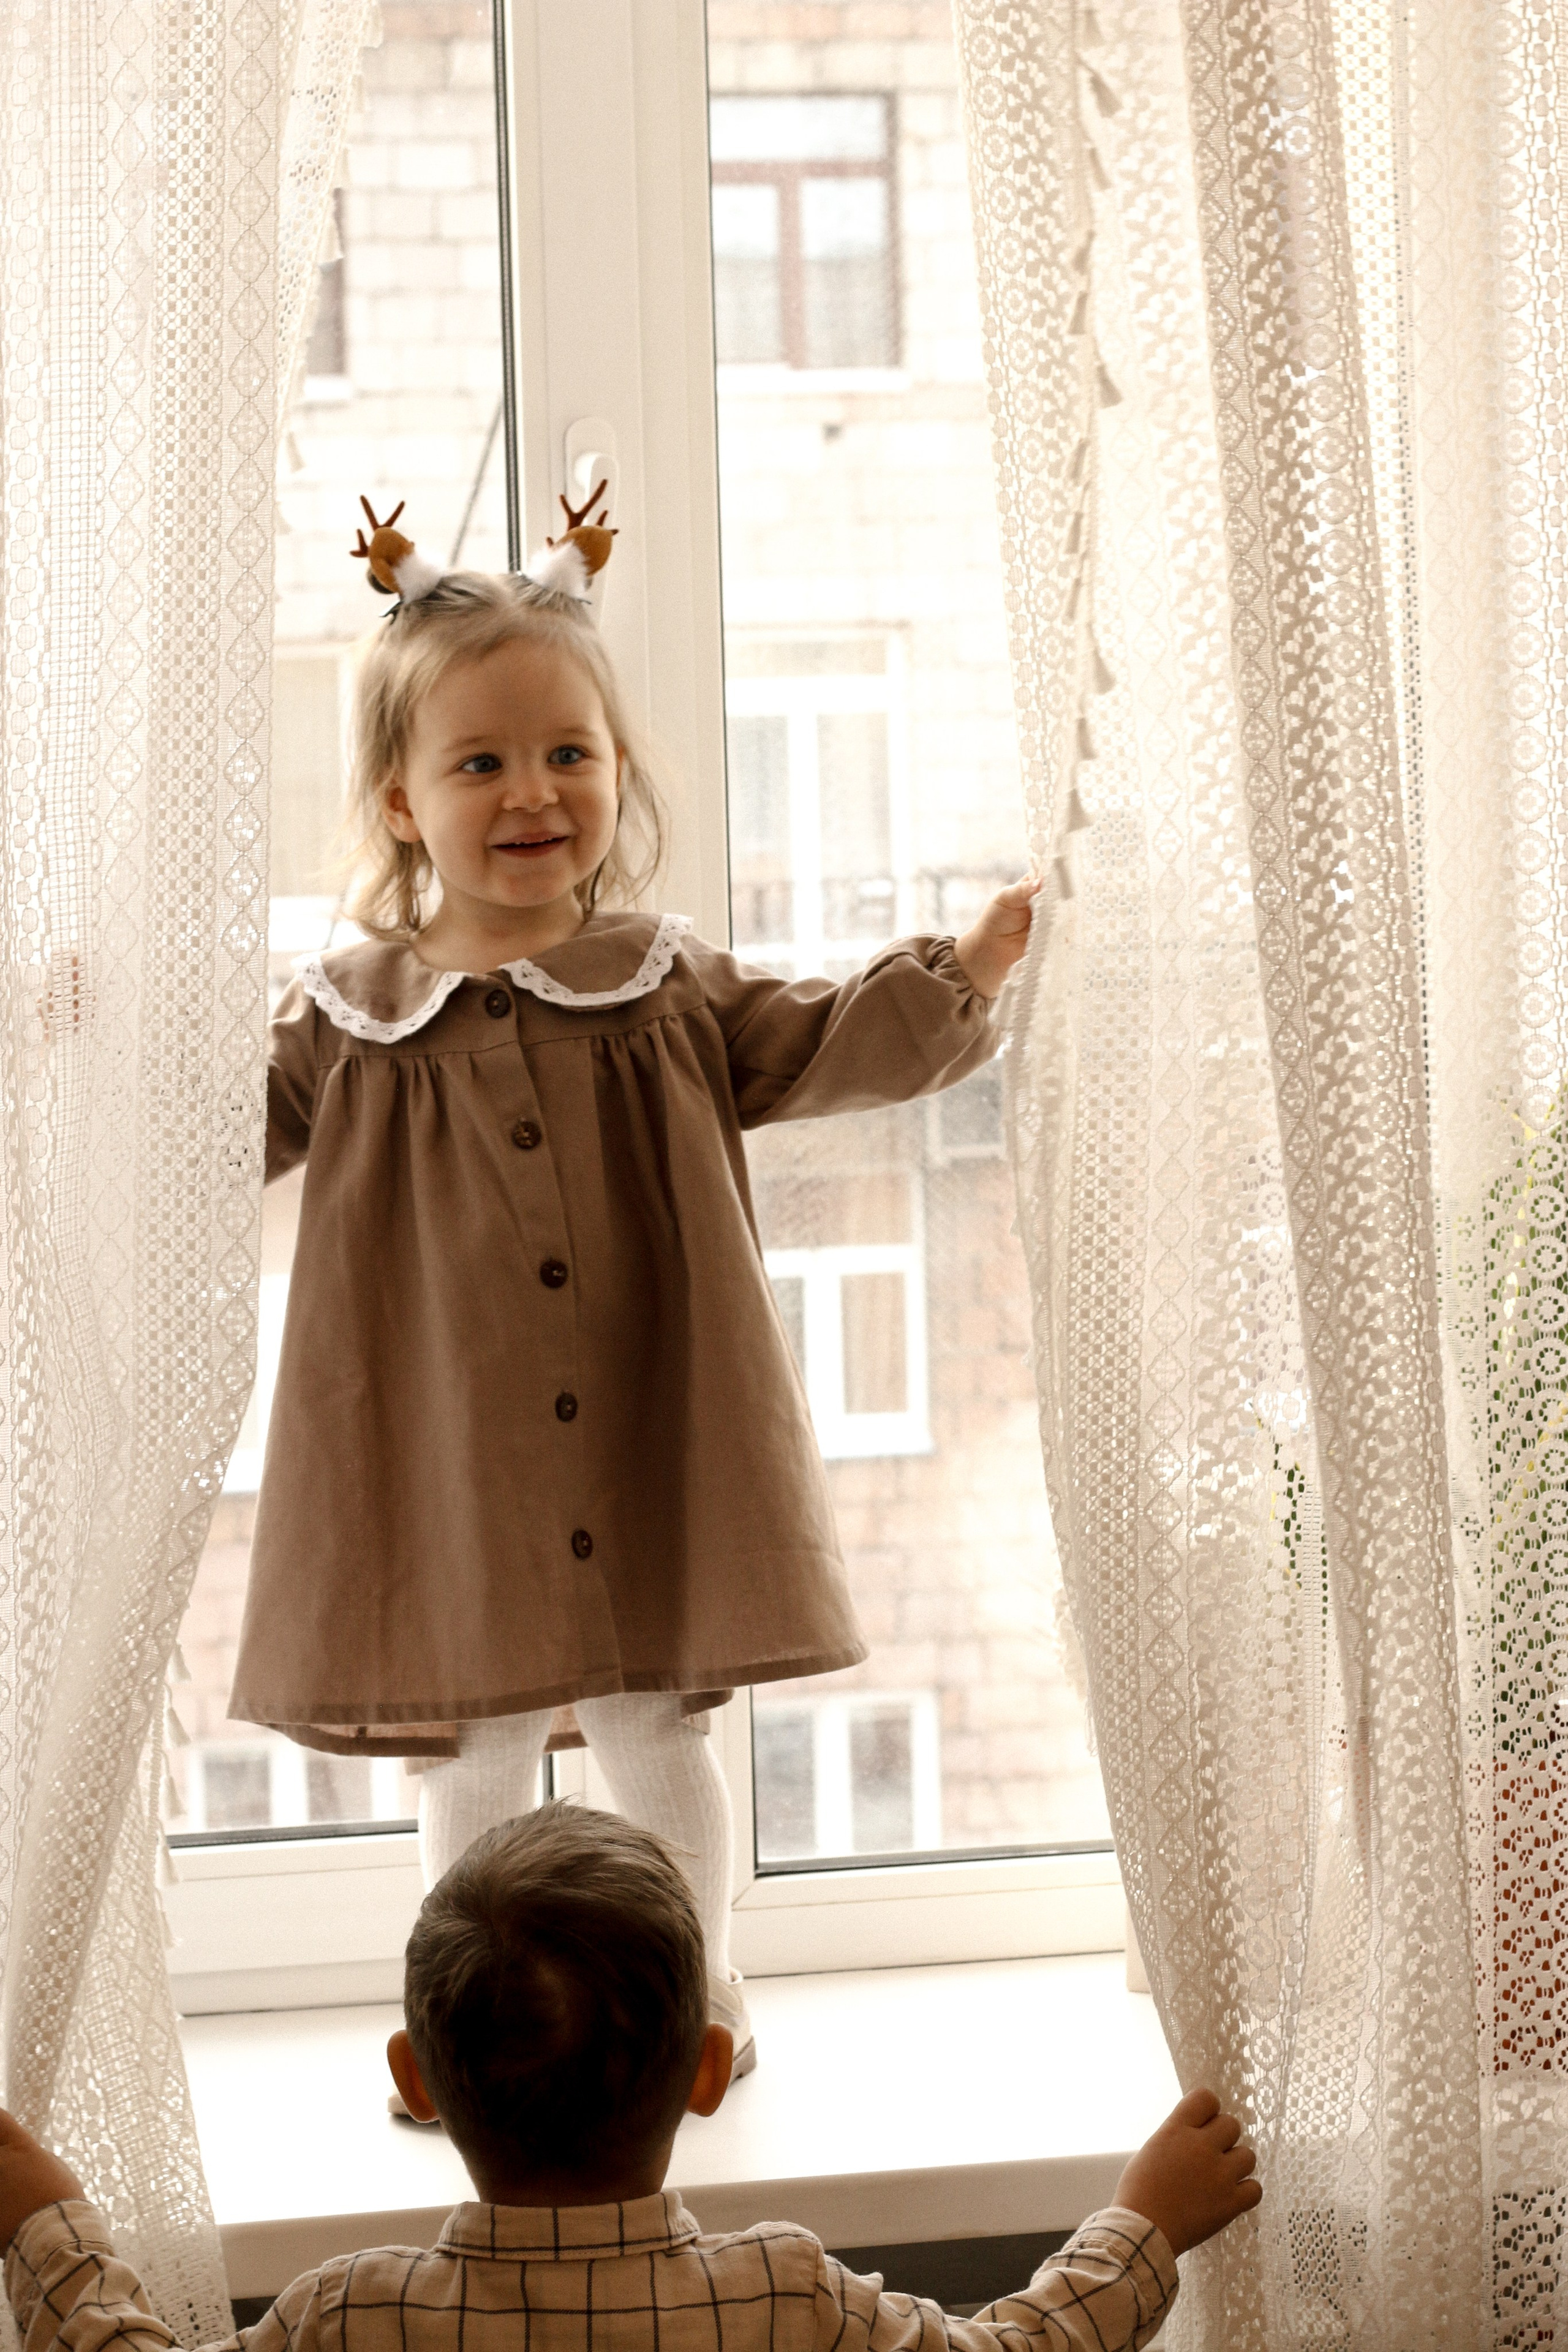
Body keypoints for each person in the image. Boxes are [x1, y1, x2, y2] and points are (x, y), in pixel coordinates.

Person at [227, 504, 1041, 2071]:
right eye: (480, 763)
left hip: (650, 1430)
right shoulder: (350, 1017)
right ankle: (472, 2032)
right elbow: (209, 1139)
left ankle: (696, 2001)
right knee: (471, 1739)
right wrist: (84, 1047)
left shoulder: (663, 982)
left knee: (650, 1721)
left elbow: (821, 1042)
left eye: (568, 754)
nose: (532, 792)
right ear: (400, 800)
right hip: (449, 1455)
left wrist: (966, 969)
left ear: (615, 770)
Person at [0, 1804, 1261, 2352]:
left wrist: (44, 2219)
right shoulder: (783, 2299)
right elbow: (1018, 2350)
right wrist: (1144, 2221)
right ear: (709, 2070)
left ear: (415, 2081)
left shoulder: (351, 2318)